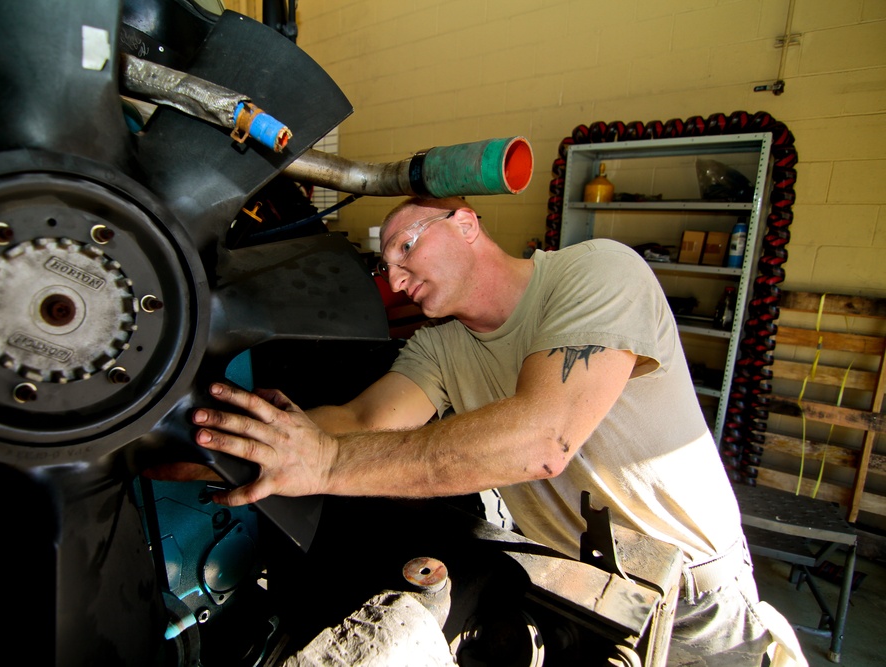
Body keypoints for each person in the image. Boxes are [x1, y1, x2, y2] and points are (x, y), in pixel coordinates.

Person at [186, 196, 796, 666]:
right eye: (385, 264)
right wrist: (241, 443)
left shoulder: (599, 274)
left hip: (694, 597)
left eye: (406, 248)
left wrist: (324, 465)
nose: (394, 279)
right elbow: (360, 423)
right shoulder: (442, 346)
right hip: (578, 589)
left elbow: (542, 439)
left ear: (466, 223)